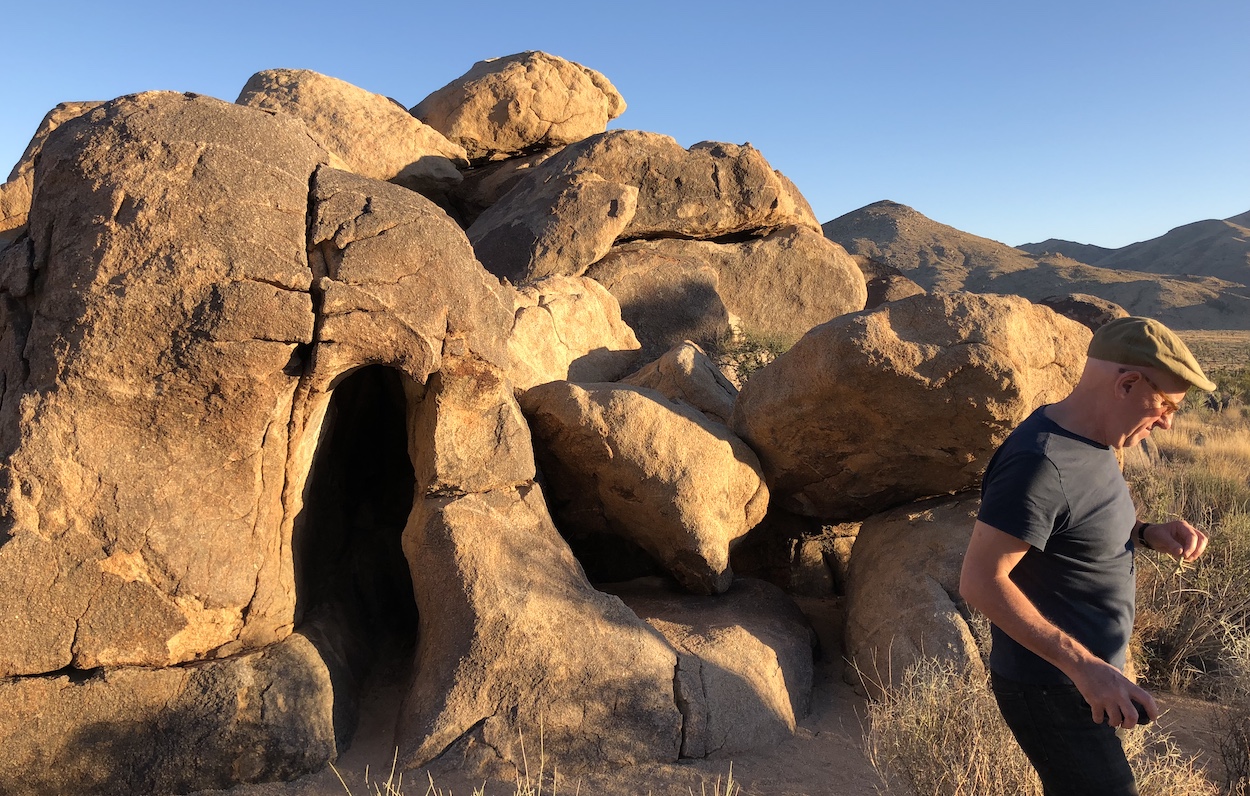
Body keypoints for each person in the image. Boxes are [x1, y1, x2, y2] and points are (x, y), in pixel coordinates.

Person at [959, 316, 1214, 795]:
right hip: (1053, 687)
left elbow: (1072, 522)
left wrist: (1147, 533)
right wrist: (1084, 667)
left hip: (1083, 682)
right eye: (1166, 405)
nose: (1167, 421)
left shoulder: (1093, 441)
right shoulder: (1040, 462)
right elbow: (980, 580)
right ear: (1127, 384)